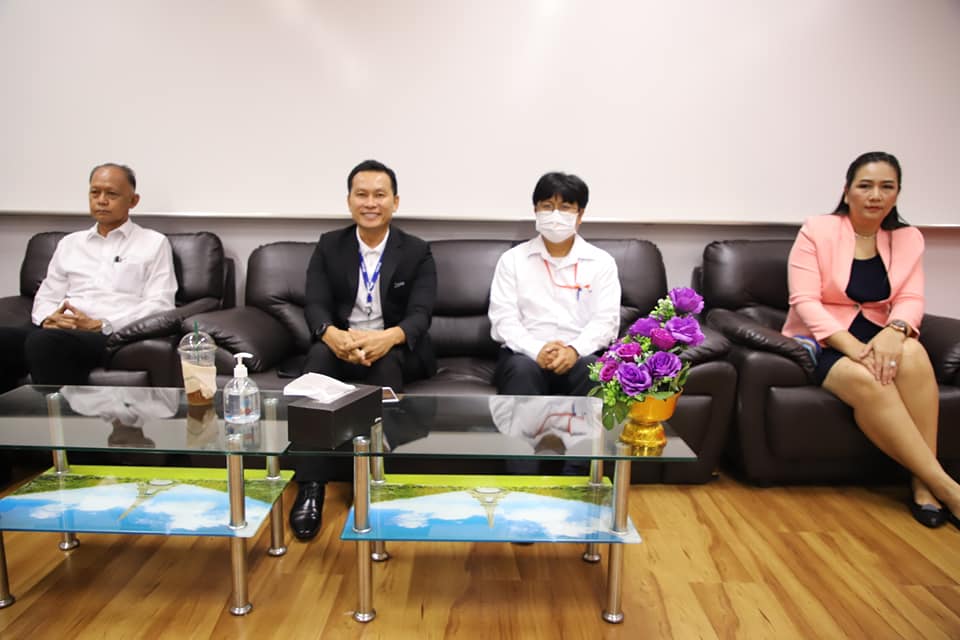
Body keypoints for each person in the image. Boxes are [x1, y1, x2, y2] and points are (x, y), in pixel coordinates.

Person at [782, 151, 960, 529]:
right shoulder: (817, 230)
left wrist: (895, 332)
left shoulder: (908, 238)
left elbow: (910, 298)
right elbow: (804, 301)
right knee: (869, 380)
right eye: (865, 186)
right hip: (826, 340)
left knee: (915, 354)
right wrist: (854, 348)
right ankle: (947, 487)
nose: (875, 195)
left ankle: (923, 484)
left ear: (897, 194)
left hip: (881, 333)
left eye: (886, 187)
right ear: (847, 191)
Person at [290, 159, 437, 541]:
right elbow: (315, 304)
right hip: (341, 343)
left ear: (395, 202)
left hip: (393, 347)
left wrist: (387, 338)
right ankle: (311, 486)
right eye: (362, 195)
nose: (370, 203)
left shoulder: (416, 250)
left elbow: (421, 315)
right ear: (349, 201)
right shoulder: (329, 245)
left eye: (380, 195)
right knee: (316, 362)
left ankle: (373, 482)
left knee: (385, 367)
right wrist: (330, 334)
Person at [0, 164, 177, 393]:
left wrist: (102, 324)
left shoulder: (153, 243)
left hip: (109, 334)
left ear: (133, 201)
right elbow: (47, 295)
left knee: (44, 342)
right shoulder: (70, 243)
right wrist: (49, 319)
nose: (102, 200)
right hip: (61, 329)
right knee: (5, 339)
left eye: (111, 194)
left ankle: (59, 416)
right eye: (95, 193)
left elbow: (161, 303)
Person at [488, 172, 620, 396]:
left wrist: (574, 350)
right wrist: (537, 350)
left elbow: (606, 321)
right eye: (547, 207)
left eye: (565, 207)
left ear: (580, 214)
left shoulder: (601, 262)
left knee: (592, 370)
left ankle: (585, 423)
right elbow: (503, 319)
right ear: (535, 210)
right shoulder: (512, 260)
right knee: (521, 370)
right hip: (524, 356)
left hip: (580, 355)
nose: (555, 215)